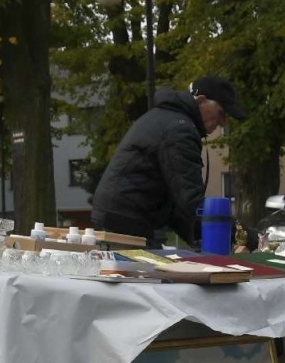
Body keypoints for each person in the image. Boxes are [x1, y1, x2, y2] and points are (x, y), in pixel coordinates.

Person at [91, 75, 245, 247]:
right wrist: (244, 236)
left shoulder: (167, 118)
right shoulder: (180, 131)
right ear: (201, 101)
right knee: (144, 271)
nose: (223, 123)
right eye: (221, 113)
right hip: (127, 222)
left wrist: (196, 236)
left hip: (118, 216)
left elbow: (176, 203)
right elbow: (191, 201)